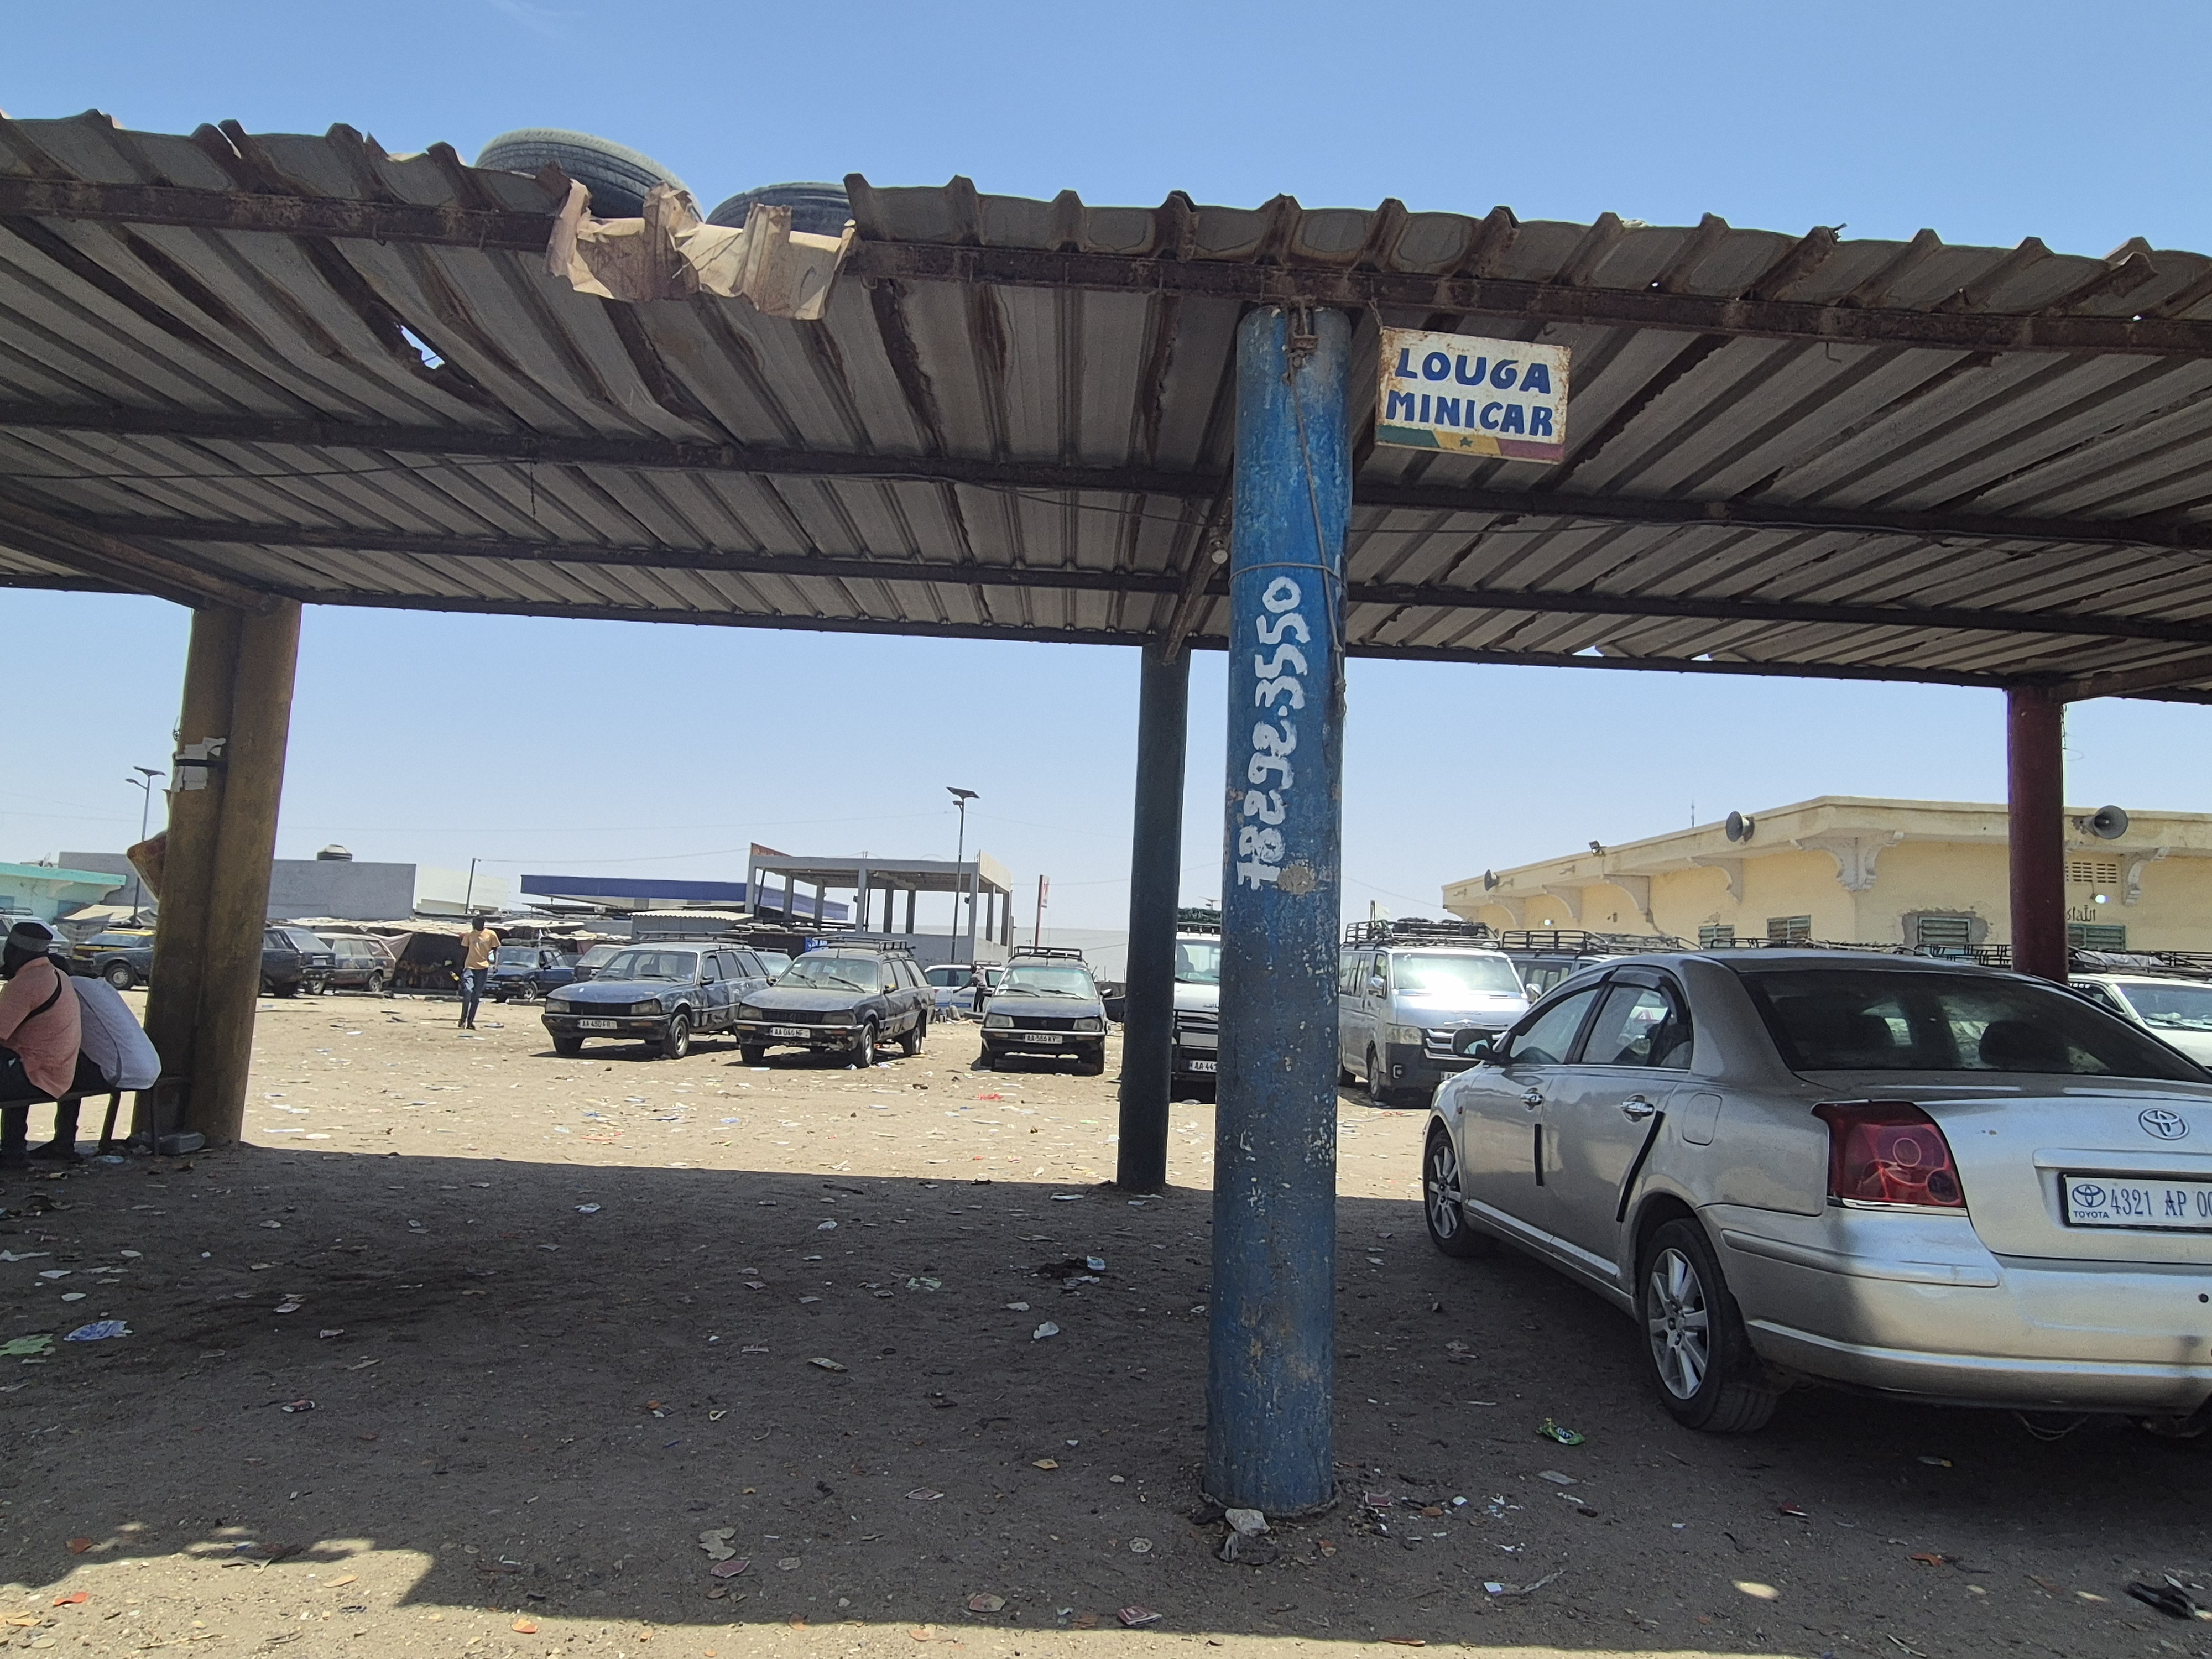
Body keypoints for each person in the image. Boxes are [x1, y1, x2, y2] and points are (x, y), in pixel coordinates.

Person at [29, 968, 161, 1164]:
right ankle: (63, 1142)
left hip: (121, 1071)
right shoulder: (100, 986)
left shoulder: (67, 991)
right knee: (72, 1068)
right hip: (150, 1066)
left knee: (58, 1074)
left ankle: (61, 1143)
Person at [0, 921, 82, 1171]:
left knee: (14, 1063)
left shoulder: (27, 982)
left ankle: (14, 1151)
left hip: (35, 1075)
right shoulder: (57, 975)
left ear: (13, 951)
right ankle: (13, 1150)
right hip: (59, 1072)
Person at [458, 914, 500, 1030]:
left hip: (483, 968)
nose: (475, 925)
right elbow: (464, 951)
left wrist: (495, 964)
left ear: (482, 923)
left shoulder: (491, 935)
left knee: (476, 996)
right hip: (469, 967)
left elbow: (496, 950)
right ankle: (463, 1018)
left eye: (477, 922)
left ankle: (470, 1021)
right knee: (467, 991)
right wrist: (461, 967)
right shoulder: (469, 935)